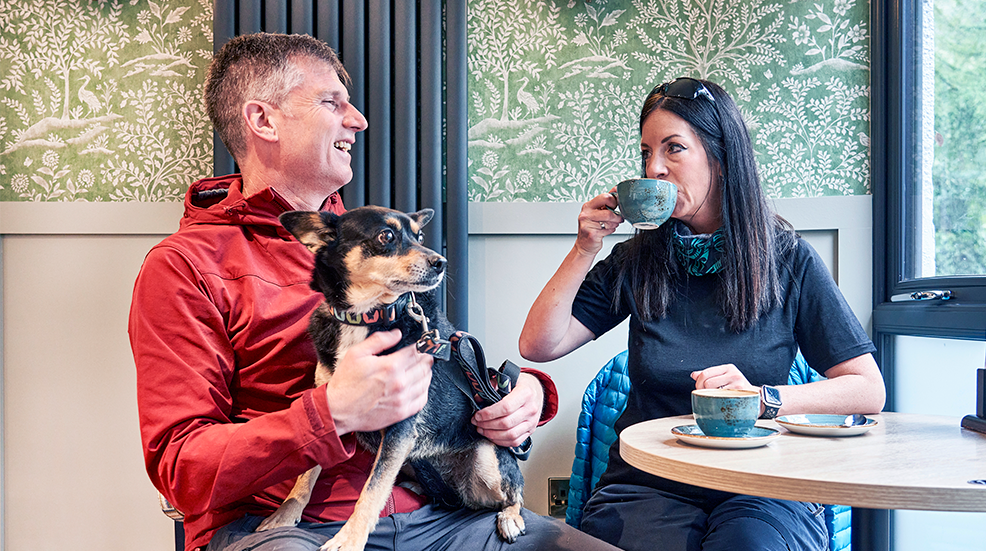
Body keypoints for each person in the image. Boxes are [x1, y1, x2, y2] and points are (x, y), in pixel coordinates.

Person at [130, 32, 618, 551]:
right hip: (288, 527)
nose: (358, 120)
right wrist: (331, 412)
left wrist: (526, 394)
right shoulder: (186, 267)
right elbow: (179, 467)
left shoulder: (382, 245)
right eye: (331, 102)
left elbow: (444, 352)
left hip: (438, 511)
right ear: (263, 120)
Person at [519, 77, 886, 551]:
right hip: (649, 481)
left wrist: (763, 399)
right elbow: (539, 345)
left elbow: (867, 388)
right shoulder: (638, 260)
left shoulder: (788, 259)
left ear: (721, 156)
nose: (655, 168)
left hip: (760, 484)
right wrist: (585, 247)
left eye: (674, 149)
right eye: (646, 152)